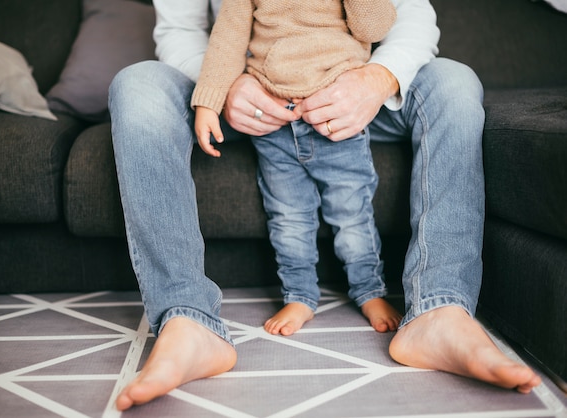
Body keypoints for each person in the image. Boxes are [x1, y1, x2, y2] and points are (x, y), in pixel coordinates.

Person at [108, 0, 542, 411]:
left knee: (454, 80)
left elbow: (408, 16)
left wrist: (377, 79)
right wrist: (224, 87)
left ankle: (439, 311)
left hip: (351, 77)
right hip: (253, 88)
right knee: (137, 84)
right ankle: (188, 322)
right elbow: (183, 30)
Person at [192, 0, 401, 337]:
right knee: (288, 218)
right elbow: (227, 39)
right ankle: (300, 296)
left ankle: (370, 291)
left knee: (353, 217)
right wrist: (208, 101)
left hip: (336, 118)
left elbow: (374, 28)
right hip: (273, 121)